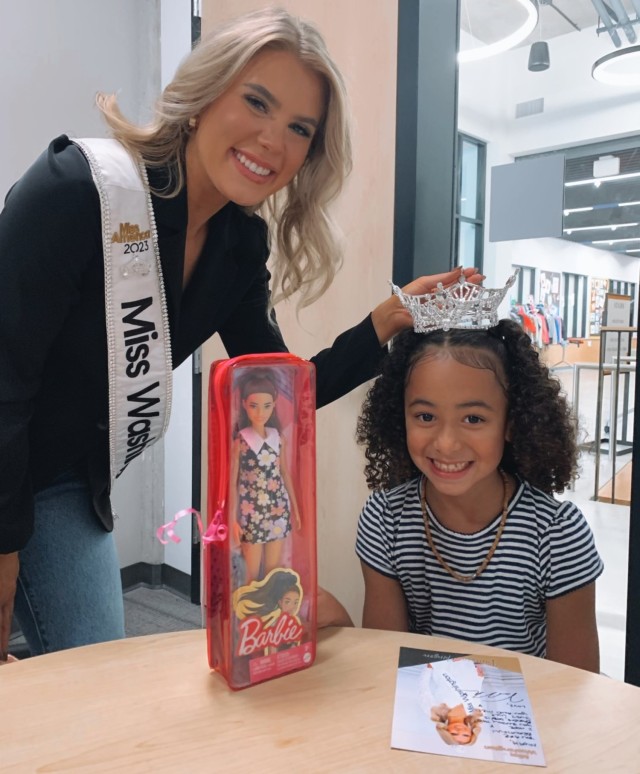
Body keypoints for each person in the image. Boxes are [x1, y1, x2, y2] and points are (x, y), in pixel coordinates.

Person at [0, 7, 476, 662]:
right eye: (256, 101)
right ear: (204, 95)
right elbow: (5, 382)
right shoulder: (78, 189)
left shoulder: (236, 246)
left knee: (93, 683)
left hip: (63, 484)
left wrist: (386, 321)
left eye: (299, 128)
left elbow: (281, 390)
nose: (272, 141)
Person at [355, 317, 603, 672]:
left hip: (531, 715)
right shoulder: (385, 520)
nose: (446, 444)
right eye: (425, 416)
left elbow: (575, 685)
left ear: (512, 423)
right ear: (400, 417)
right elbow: (385, 661)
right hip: (425, 716)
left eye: (473, 419)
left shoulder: (557, 534)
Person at [229, 368, 301, 582]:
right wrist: (233, 518)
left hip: (278, 510)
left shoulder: (277, 437)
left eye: (267, 406)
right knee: (249, 574)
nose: (260, 412)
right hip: (251, 513)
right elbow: (233, 482)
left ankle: (269, 614)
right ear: (244, 404)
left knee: (273, 573)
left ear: (275, 402)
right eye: (254, 406)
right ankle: (247, 614)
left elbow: (285, 474)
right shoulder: (241, 440)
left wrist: (295, 510)